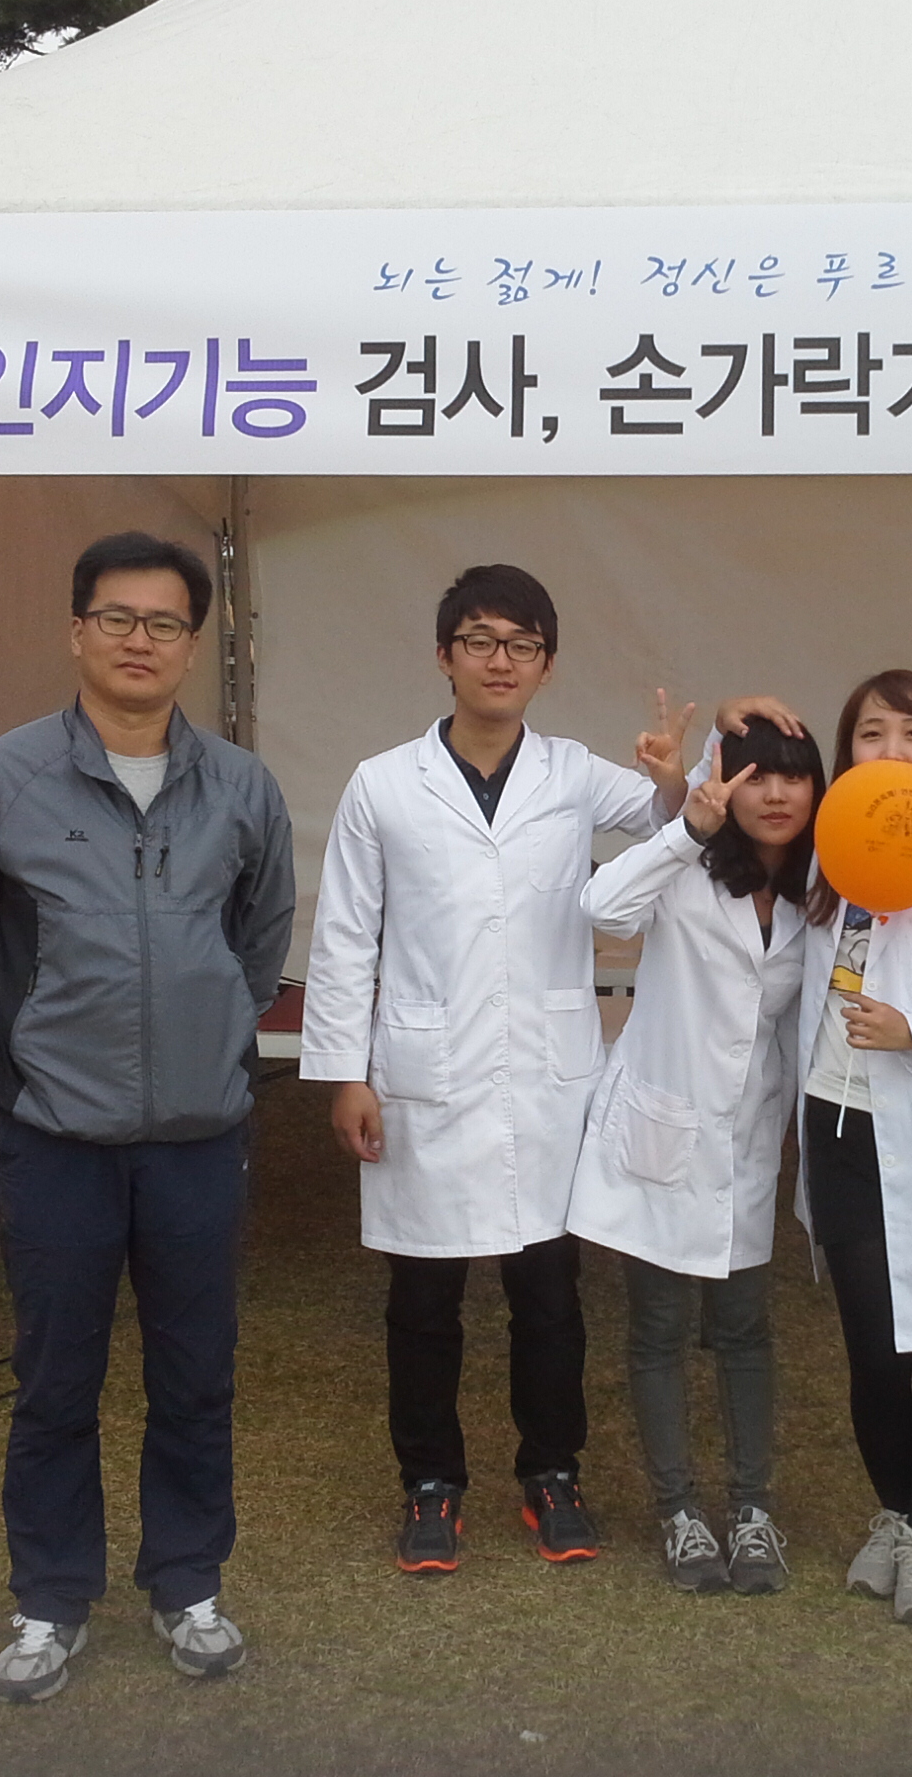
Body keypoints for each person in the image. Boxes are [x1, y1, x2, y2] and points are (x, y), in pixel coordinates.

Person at [0, 531, 295, 1704]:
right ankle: (49, 1600)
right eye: (118, 619)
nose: (141, 641)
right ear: (77, 630)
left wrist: (209, 1032)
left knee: (196, 1376)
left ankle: (189, 1584)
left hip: (197, 1138)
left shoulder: (240, 787)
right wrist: (24, 1049)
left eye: (165, 623)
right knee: (55, 1379)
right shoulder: (0, 780)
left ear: (195, 643)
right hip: (56, 1139)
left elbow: (262, 935)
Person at [303, 565, 686, 1574]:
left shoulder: (574, 774)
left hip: (547, 1077)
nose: (500, 660)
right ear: (445, 655)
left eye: (521, 644)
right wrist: (345, 1071)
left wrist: (668, 778)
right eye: (479, 640)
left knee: (549, 1295)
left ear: (547, 665)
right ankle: (430, 1484)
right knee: (422, 1300)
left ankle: (553, 1472)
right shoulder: (384, 783)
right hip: (422, 1074)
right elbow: (344, 935)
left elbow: (677, 829)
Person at [710, 673, 912, 1625]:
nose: (892, 753)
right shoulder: (822, 854)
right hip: (839, 1127)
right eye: (871, 734)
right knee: (874, 1348)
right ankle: (893, 1513)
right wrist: (725, 730)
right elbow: (717, 818)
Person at [567, 714, 820, 1595]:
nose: (775, 794)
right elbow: (602, 907)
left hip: (748, 1139)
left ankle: (752, 1511)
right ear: (726, 787)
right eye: (756, 776)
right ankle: (678, 1511)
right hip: (662, 1131)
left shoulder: (822, 894)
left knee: (745, 1330)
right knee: (660, 1330)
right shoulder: (687, 870)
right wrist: (685, 827)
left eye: (793, 776)